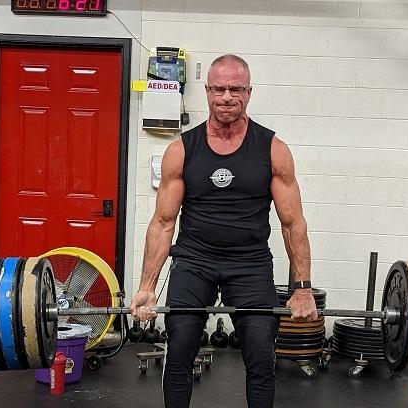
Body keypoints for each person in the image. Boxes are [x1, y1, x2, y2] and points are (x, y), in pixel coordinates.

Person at [130, 54, 317, 408]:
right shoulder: (182, 150)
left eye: (235, 88)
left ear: (249, 92)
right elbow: (163, 223)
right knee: (181, 345)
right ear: (207, 91)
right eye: (219, 88)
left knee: (262, 354)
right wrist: (146, 288)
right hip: (194, 261)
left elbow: (293, 224)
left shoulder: (273, 150)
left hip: (249, 263)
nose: (227, 96)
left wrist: (302, 288)